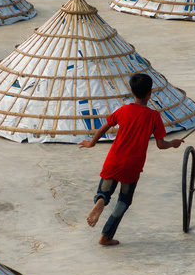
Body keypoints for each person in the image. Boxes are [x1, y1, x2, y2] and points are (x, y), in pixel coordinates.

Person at [78, 73, 182, 246]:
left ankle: (101, 201)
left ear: (132, 91)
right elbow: (161, 145)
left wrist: (92, 143)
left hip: (114, 161)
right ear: (150, 93)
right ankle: (105, 236)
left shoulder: (123, 110)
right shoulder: (154, 116)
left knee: (104, 193)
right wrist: (174, 143)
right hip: (132, 166)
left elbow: (104, 127)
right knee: (124, 201)